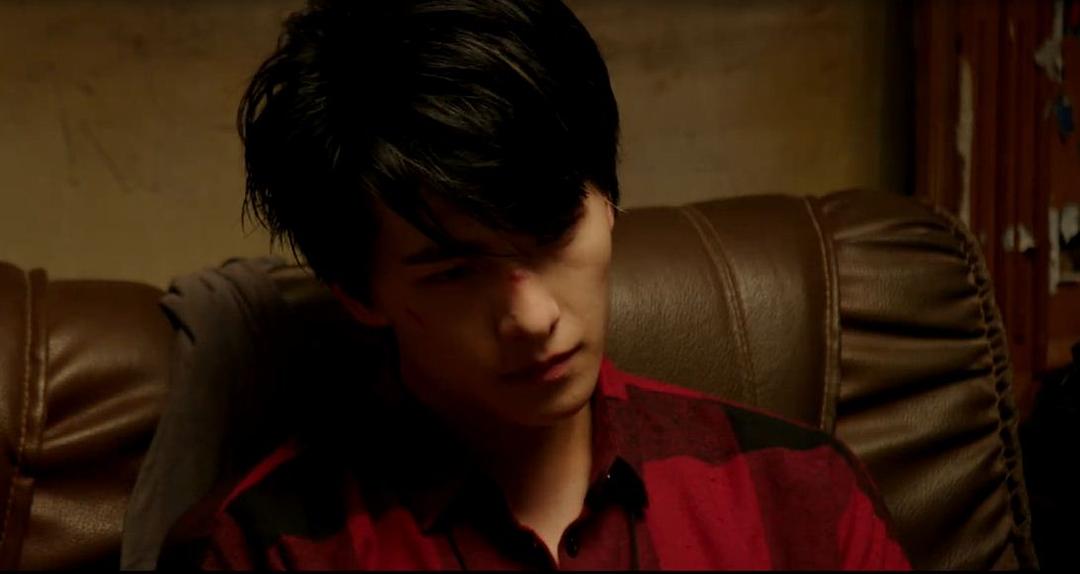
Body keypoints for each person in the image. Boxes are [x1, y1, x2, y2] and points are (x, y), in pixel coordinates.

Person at [158, 0, 911, 569]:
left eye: (552, 233)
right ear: (360, 292)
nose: (532, 315)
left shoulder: (797, 492)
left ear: (608, 201)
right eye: (455, 271)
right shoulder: (261, 549)